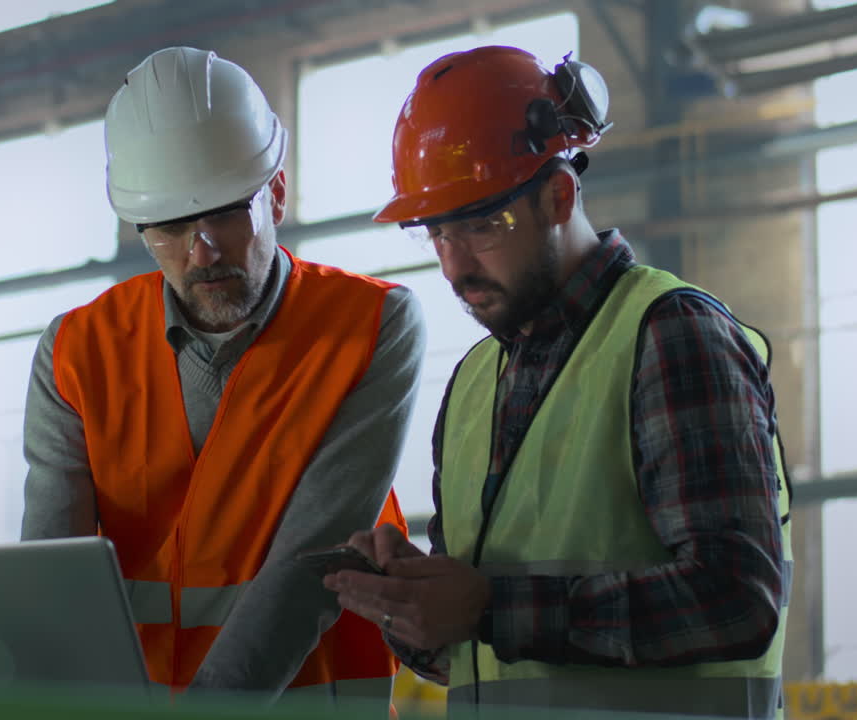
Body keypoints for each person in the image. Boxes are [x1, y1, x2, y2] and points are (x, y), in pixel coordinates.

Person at [324, 45, 793, 719]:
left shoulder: (670, 336)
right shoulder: (473, 384)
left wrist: (492, 607)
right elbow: (472, 649)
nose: (455, 267)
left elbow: (737, 598)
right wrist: (410, 602)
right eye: (436, 235)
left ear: (559, 195)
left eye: (481, 225)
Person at [20, 46, 426, 704]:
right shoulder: (75, 351)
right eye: (172, 227)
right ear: (138, 227)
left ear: (277, 193)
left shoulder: (370, 327)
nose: (201, 249)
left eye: (226, 213)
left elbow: (308, 564)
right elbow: (50, 580)